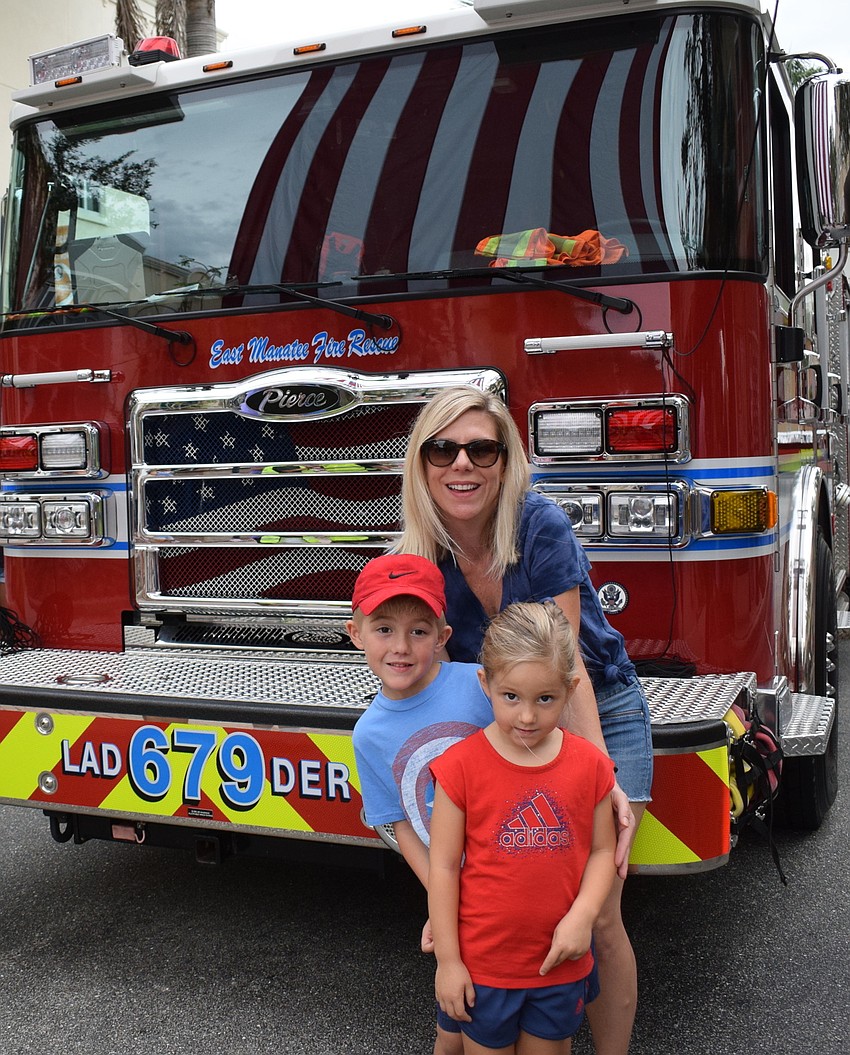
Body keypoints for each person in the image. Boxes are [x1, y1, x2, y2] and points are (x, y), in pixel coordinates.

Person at [397, 386, 653, 1055]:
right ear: (421, 464)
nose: (463, 464)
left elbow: (565, 674)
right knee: (512, 902)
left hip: (595, 706)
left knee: (597, 914)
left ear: (505, 461)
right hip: (506, 725)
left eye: (482, 447)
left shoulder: (540, 526)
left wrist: (603, 780)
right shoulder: (419, 559)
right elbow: (412, 677)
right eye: (443, 448)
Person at [429, 601, 617, 1055]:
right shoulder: (460, 768)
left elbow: (601, 851)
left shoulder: (590, 765)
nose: (527, 717)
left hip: (560, 964)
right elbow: (444, 866)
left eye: (545, 699)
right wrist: (449, 962)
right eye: (511, 697)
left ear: (570, 690)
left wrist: (583, 917)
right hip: (483, 968)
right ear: (485, 683)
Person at [348, 552, 494, 1055]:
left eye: (419, 631)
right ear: (355, 634)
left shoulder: (481, 685)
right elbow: (400, 826)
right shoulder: (369, 735)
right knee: (456, 1012)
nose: (401, 647)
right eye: (383, 629)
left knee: (504, 1009)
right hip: (458, 889)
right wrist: (443, 896)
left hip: (514, 867)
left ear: (443, 637)